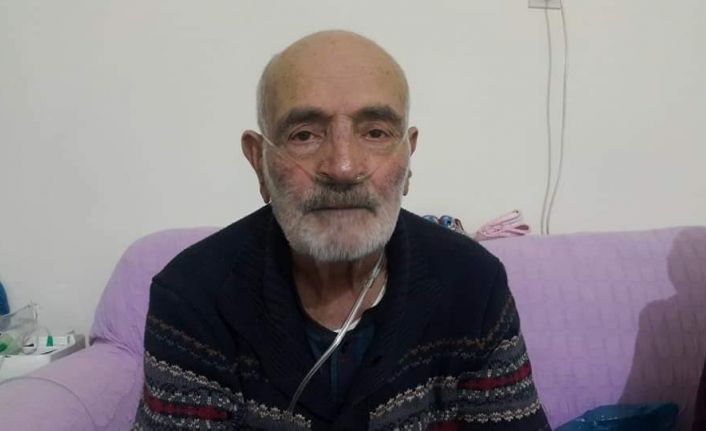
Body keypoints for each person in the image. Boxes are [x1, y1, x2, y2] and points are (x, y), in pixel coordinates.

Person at [133, 30, 549, 430]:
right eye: (304, 135)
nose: (344, 167)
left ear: (408, 156)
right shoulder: (193, 297)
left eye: (375, 133)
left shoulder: (474, 284)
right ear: (259, 161)